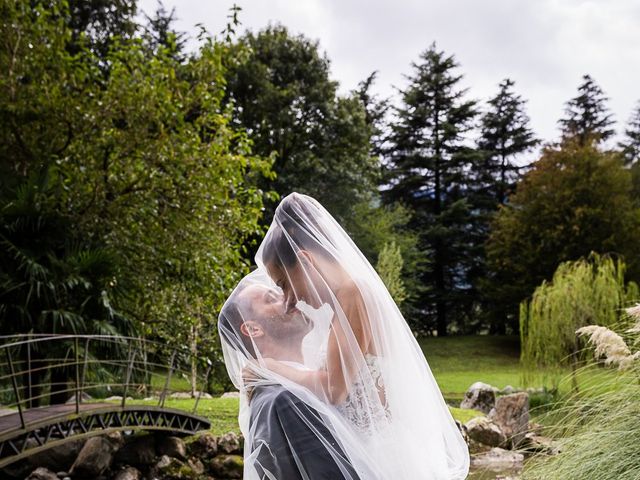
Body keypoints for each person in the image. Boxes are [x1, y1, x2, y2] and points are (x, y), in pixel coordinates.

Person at [252, 192, 470, 479]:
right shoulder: (345, 300)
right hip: (361, 450)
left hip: (380, 457)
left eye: (285, 284)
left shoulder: (354, 294)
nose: (289, 300)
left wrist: (268, 367)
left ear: (305, 261)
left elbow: (334, 389)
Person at [218, 275, 368, 480]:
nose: (291, 299)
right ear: (253, 329)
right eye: (273, 298)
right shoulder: (288, 400)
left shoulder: (287, 390)